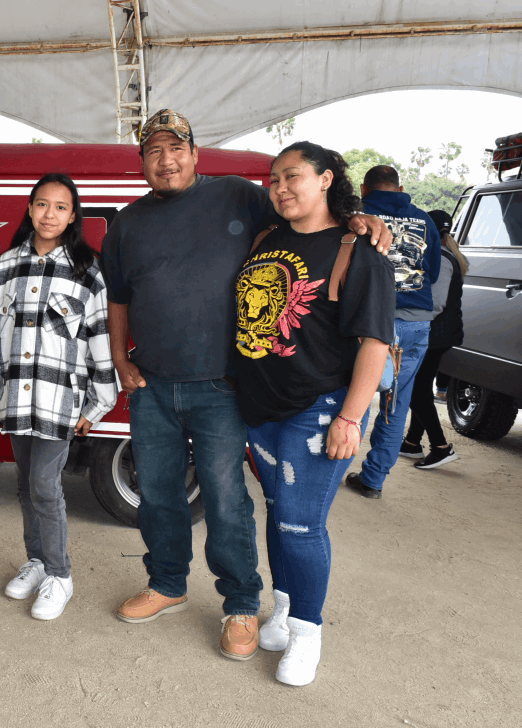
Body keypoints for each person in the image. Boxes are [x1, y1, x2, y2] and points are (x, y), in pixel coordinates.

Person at [100, 109, 391, 661]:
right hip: (153, 385)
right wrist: (120, 359)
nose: (166, 159)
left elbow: (307, 215)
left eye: (176, 148)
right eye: (153, 152)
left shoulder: (238, 194)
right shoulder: (127, 223)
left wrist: (360, 219)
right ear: (142, 162)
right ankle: (166, 584)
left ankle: (240, 603)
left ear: (194, 152)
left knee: (227, 499)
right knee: (159, 496)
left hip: (225, 386)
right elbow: (118, 297)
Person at [236, 142, 394, 686]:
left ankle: (308, 631)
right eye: (274, 178)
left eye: (293, 176)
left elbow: (375, 340)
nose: (280, 187)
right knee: (277, 510)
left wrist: (352, 418)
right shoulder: (266, 239)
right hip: (260, 406)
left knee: (302, 525)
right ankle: (283, 604)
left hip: (321, 406)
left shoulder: (358, 248)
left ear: (326, 179)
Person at [0, 173, 118, 620]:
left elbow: (99, 335)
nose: (49, 214)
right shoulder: (5, 266)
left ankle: (60, 574)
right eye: (42, 204)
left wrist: (96, 406)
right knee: (25, 485)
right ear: (29, 209)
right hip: (16, 398)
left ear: (73, 215)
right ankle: (37, 562)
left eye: (60, 207)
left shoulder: (87, 270)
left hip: (61, 401)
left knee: (44, 483)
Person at [346, 165, 442, 498]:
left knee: (350, 395)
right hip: (416, 321)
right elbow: (432, 273)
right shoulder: (425, 220)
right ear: (400, 187)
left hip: (368, 321)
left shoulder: (357, 216)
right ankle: (373, 480)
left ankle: (334, 468)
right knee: (395, 404)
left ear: (364, 187)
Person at [401, 209, 466, 469]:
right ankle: (412, 442)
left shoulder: (440, 255)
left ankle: (441, 447)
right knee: (423, 388)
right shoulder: (448, 253)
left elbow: (436, 304)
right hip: (441, 333)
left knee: (417, 391)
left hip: (434, 334)